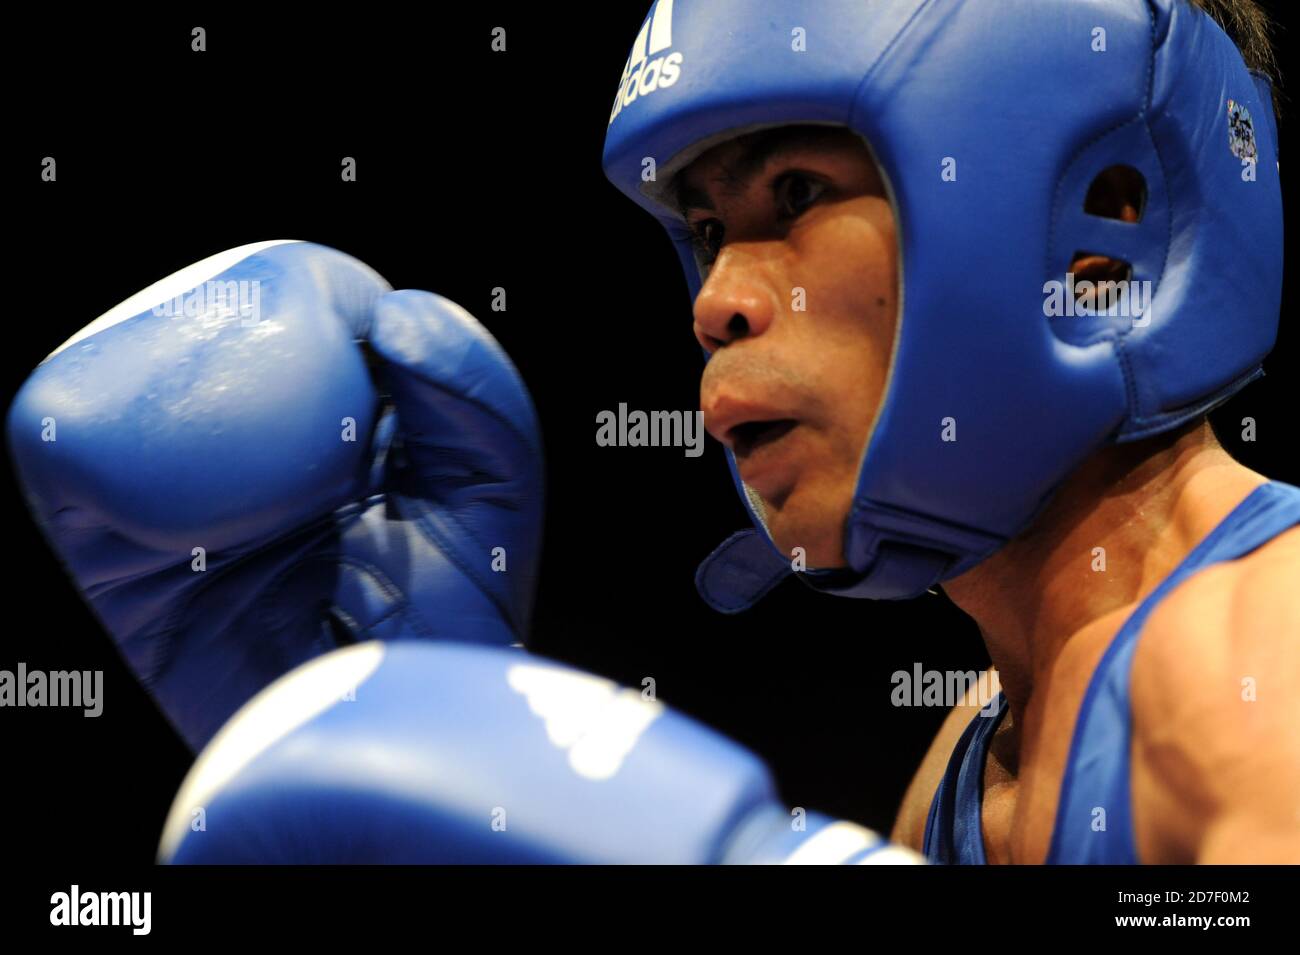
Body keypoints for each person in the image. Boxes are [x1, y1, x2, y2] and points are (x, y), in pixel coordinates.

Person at [601, 0, 1298, 863]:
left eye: (797, 193)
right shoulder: (969, 751)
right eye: (708, 232)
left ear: (1106, 229)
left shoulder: (1268, 651)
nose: (713, 306)